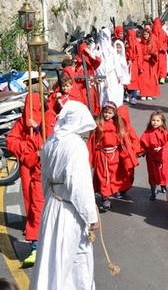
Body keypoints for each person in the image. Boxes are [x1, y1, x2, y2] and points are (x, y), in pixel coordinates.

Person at [30, 100, 99, 290]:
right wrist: (91, 216)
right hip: (70, 209)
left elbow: (44, 178)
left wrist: (50, 200)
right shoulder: (75, 145)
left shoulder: (51, 141)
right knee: (69, 259)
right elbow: (79, 186)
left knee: (52, 258)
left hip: (52, 204)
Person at [6, 92, 45, 266]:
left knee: (44, 203)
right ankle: (35, 239)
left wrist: (37, 130)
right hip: (27, 167)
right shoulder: (21, 122)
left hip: (44, 168)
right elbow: (11, 141)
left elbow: (51, 139)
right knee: (31, 202)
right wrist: (26, 149)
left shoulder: (46, 119)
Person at [87, 101, 125, 211]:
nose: (107, 115)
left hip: (114, 155)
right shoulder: (98, 125)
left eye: (110, 113)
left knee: (112, 175)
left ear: (114, 114)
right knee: (104, 176)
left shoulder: (118, 125)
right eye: (105, 112)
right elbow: (92, 141)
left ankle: (109, 191)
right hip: (102, 155)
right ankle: (105, 198)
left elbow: (122, 140)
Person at [140, 110, 168, 201]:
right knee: (152, 175)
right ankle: (153, 192)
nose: (155, 122)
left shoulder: (164, 132)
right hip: (151, 157)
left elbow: (167, 143)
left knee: (163, 174)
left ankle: (163, 185)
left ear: (162, 122)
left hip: (162, 157)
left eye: (158, 121)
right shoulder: (147, 132)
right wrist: (142, 151)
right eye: (153, 120)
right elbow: (142, 143)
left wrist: (161, 148)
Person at [74, 42, 102, 115]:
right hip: (82, 88)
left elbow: (98, 61)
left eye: (85, 52)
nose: (84, 54)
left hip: (90, 86)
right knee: (85, 104)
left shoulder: (90, 61)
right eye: (83, 51)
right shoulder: (77, 62)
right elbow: (76, 76)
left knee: (93, 103)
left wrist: (90, 53)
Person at [138, 25, 159, 100]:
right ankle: (143, 93)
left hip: (150, 63)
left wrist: (153, 56)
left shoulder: (151, 44)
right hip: (143, 63)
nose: (146, 36)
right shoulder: (140, 44)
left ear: (149, 35)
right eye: (144, 34)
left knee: (150, 79)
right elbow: (139, 54)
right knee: (143, 79)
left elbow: (155, 52)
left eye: (147, 34)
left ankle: (150, 94)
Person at [153, 17, 168, 84]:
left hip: (156, 51)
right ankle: (162, 77)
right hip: (161, 51)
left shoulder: (152, 32)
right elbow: (167, 42)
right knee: (162, 64)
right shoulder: (163, 32)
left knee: (156, 64)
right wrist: (163, 47)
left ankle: (156, 77)